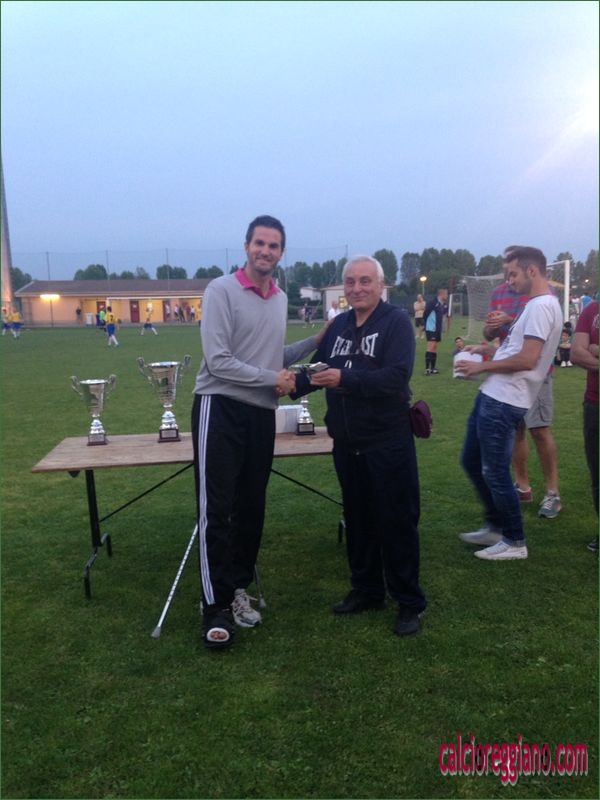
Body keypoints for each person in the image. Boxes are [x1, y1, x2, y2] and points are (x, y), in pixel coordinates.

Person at [192, 215, 327, 650]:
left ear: (281, 253)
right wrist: (274, 379)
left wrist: (315, 341)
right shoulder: (221, 290)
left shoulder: (279, 298)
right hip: (219, 407)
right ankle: (213, 607)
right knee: (218, 509)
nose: (266, 251)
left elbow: (272, 356)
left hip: (259, 414)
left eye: (274, 245)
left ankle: (236, 589)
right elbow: (218, 361)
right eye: (260, 243)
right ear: (246, 246)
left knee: (252, 508)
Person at [291, 255, 426, 636]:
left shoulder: (396, 322)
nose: (357, 288)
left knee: (396, 522)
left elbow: (396, 377)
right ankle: (367, 590)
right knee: (359, 520)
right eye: (350, 282)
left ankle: (409, 601)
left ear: (381, 285)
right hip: (347, 443)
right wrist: (288, 384)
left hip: (387, 442)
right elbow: (318, 371)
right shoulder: (339, 325)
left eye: (365, 281)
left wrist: (345, 379)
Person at [455, 246, 562, 560]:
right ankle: (495, 525)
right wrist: (487, 351)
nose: (509, 281)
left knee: (495, 471)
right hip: (494, 394)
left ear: (532, 271)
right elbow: (517, 350)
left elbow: (528, 359)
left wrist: (482, 367)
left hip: (505, 400)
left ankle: (514, 540)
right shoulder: (536, 305)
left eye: (513, 274)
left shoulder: (541, 306)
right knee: (471, 461)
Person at [484, 248, 562, 519]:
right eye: (506, 271)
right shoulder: (499, 293)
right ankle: (523, 486)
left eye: (512, 271)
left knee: (539, 429)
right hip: (508, 373)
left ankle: (552, 493)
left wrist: (510, 320)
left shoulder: (540, 294)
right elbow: (488, 333)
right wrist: (491, 327)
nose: (509, 277)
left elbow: (541, 331)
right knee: (516, 432)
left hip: (535, 372)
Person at [571, 300, 599, 551]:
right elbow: (577, 353)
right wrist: (590, 350)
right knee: (597, 472)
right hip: (595, 404)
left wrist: (596, 348)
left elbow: (588, 349)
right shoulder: (592, 310)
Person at [423, 288, 448, 374]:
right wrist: (426, 324)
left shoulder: (443, 304)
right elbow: (425, 313)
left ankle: (433, 368)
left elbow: (444, 313)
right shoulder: (432, 302)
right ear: (441, 294)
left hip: (437, 328)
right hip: (431, 328)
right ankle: (427, 369)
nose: (447, 296)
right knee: (430, 346)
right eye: (446, 294)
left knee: (435, 347)